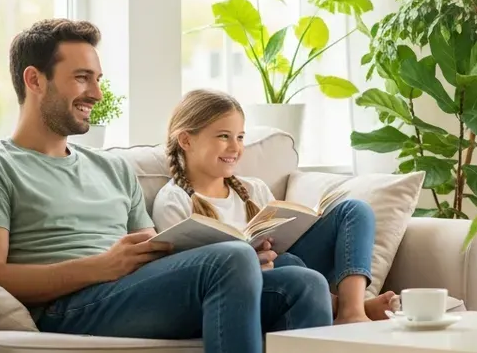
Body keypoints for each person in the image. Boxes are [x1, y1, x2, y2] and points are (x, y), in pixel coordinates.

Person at [0, 20, 346, 353]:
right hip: (69, 308)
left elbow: (157, 250)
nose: (95, 93)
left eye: (98, 79)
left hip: (132, 294)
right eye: (81, 78)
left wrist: (242, 255)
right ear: (34, 79)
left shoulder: (112, 168)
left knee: (301, 283)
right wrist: (98, 267)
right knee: (232, 261)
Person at [153, 88, 396, 324]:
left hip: (287, 265)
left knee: (354, 210)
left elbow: (281, 239)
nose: (235, 148)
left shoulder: (254, 189)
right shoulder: (174, 201)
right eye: (223, 136)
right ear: (186, 140)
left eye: (240, 137)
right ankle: (340, 306)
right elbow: (187, 276)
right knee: (291, 266)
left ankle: (352, 311)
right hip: (249, 284)